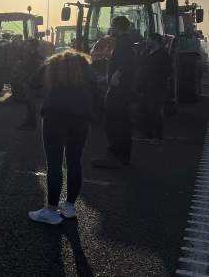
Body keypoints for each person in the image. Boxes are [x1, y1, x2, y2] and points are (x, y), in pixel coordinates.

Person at [28, 50, 96, 225]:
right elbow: (96, 89)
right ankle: (69, 207)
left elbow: (33, 82)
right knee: (74, 162)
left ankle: (50, 210)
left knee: (54, 164)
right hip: (81, 117)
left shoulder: (52, 65)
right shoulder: (86, 67)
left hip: (55, 115)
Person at [93, 16, 136, 168]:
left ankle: (114, 156)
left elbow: (127, 61)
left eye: (112, 25)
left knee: (113, 122)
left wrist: (117, 74)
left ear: (117, 26)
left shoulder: (124, 42)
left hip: (119, 89)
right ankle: (123, 157)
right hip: (121, 87)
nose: (111, 29)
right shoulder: (126, 41)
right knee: (122, 122)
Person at [139, 33, 172, 141]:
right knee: (144, 111)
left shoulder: (163, 55)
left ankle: (158, 137)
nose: (147, 41)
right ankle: (146, 135)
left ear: (155, 41)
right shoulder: (146, 52)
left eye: (149, 39)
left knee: (155, 112)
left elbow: (168, 72)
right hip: (145, 86)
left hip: (157, 87)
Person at [17, 39, 45, 131]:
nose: (26, 46)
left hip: (32, 82)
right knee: (29, 104)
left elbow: (37, 69)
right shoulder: (30, 55)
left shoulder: (36, 57)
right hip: (29, 81)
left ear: (33, 46)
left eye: (29, 44)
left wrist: (29, 79)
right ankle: (30, 122)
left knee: (31, 103)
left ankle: (31, 123)